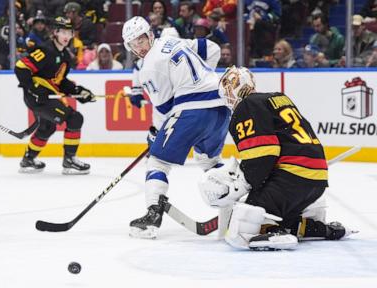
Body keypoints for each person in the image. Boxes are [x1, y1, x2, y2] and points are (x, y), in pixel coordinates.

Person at [198, 66, 349, 251]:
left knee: (243, 224)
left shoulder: (247, 106)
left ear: (233, 88)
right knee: (282, 214)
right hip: (317, 181)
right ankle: (309, 227)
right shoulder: (278, 98)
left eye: (227, 92)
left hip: (290, 178)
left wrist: (241, 186)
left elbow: (262, 156)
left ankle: (272, 230)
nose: (228, 99)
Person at [122, 16, 230, 239]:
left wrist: (156, 137)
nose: (139, 47)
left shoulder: (149, 68)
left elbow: (163, 109)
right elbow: (213, 49)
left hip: (193, 111)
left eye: (141, 40)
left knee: (158, 161)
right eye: (134, 44)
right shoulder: (174, 42)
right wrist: (202, 77)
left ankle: (152, 215)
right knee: (208, 161)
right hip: (221, 106)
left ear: (149, 35)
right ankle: (233, 204)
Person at [14, 17, 95, 174]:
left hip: (46, 96)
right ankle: (69, 160)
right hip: (37, 97)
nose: (66, 36)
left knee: (47, 127)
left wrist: (78, 91)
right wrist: (34, 90)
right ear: (55, 33)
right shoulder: (45, 50)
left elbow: (60, 82)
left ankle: (28, 159)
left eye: (69, 32)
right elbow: (21, 68)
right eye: (62, 32)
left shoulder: (65, 56)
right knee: (75, 118)